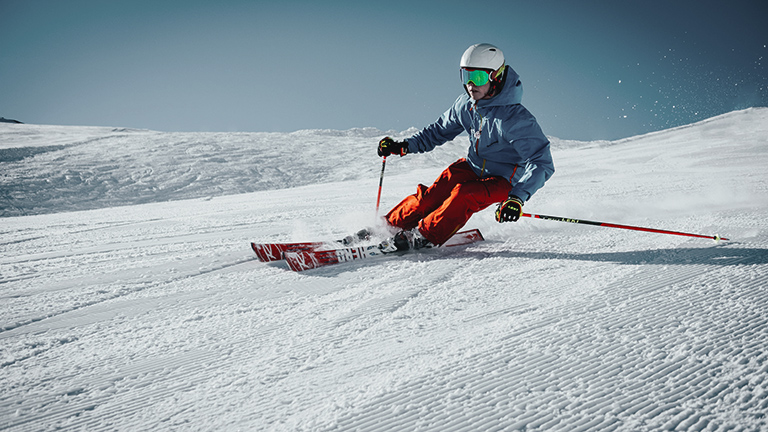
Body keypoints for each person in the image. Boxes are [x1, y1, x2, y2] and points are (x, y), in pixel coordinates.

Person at [376, 43, 555, 252]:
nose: (470, 84)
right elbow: (437, 131)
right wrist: (404, 145)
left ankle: (424, 236)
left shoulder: (515, 119)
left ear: (495, 76)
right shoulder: (466, 105)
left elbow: (541, 162)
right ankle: (388, 226)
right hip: (472, 166)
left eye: (477, 77)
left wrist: (517, 197)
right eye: (465, 76)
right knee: (432, 196)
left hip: (504, 180)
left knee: (465, 194)